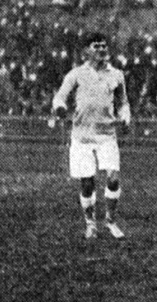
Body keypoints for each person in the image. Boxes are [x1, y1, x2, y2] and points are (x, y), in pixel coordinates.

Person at [52, 32, 131, 240]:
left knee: (113, 178)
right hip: (82, 136)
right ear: (86, 51)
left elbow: (123, 102)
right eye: (96, 46)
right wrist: (59, 107)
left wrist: (125, 117)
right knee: (87, 183)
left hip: (107, 134)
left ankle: (111, 221)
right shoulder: (76, 74)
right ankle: (90, 224)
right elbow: (60, 96)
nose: (102, 49)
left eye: (104, 45)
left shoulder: (116, 74)